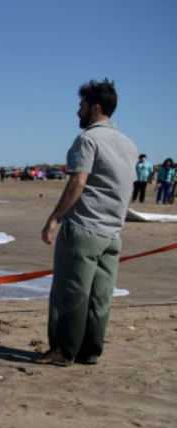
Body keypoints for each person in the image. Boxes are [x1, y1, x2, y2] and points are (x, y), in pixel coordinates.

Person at [37, 79, 138, 366]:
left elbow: (78, 181)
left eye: (80, 106)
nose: (77, 112)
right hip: (112, 231)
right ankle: (90, 350)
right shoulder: (129, 144)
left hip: (84, 227)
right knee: (100, 296)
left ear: (95, 107)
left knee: (71, 291)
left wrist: (54, 218)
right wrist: (118, 219)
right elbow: (127, 188)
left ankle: (63, 350)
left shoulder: (88, 139)